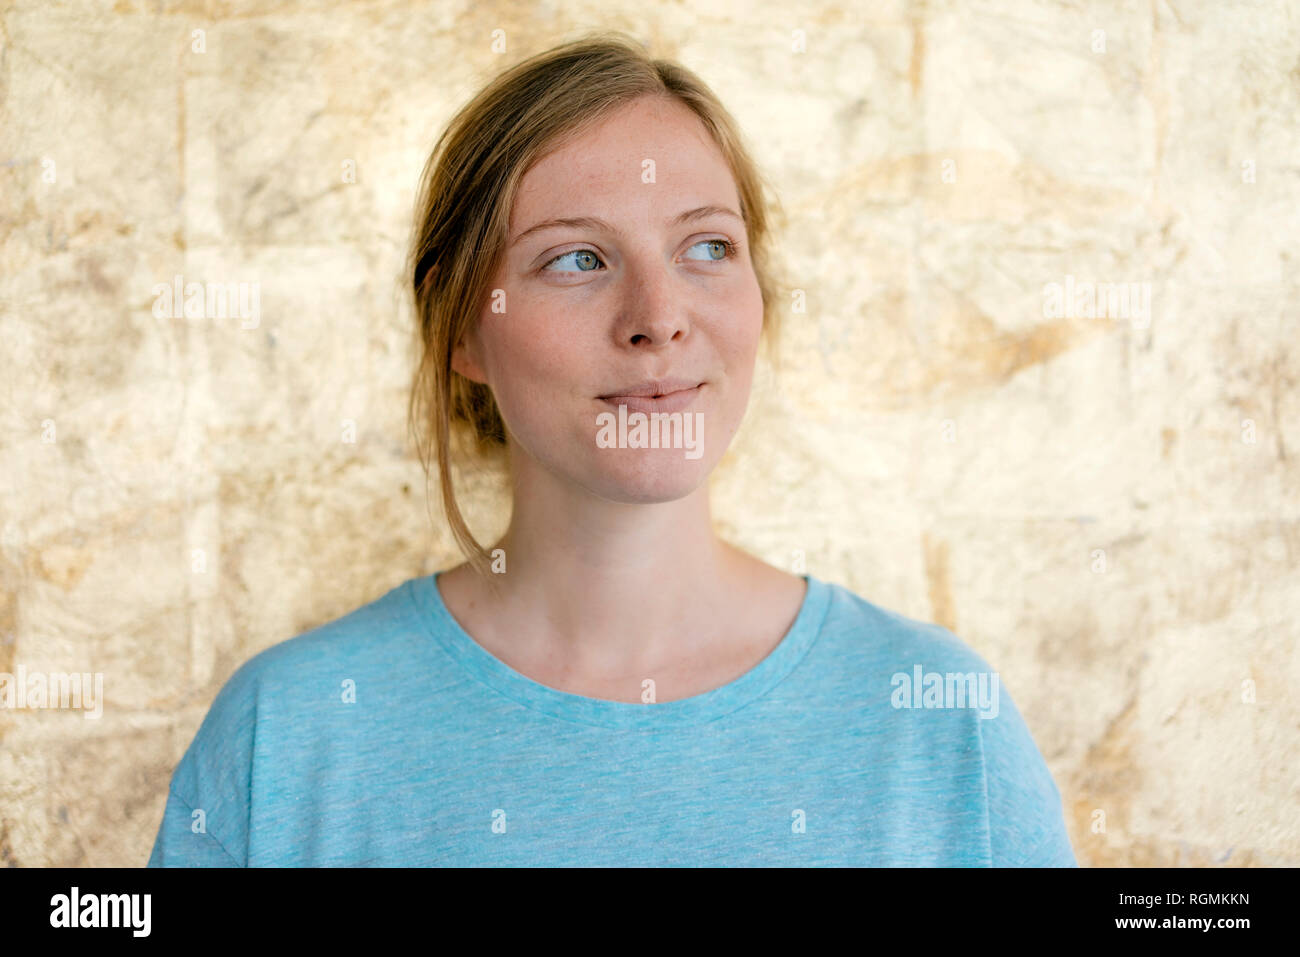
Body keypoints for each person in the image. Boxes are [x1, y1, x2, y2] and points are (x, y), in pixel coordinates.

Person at [147, 32, 1076, 867]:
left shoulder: (938, 720)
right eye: (577, 259)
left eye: (707, 247)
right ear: (464, 331)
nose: (659, 319)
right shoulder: (291, 736)